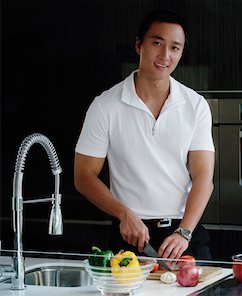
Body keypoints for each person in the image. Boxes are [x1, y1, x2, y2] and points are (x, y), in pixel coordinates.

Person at [74, 9, 215, 261]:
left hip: (184, 237)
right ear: (139, 45)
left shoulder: (196, 105)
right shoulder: (105, 106)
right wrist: (123, 214)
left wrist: (184, 232)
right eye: (157, 43)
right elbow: (83, 176)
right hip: (129, 237)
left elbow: (204, 176)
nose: (165, 56)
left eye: (175, 47)